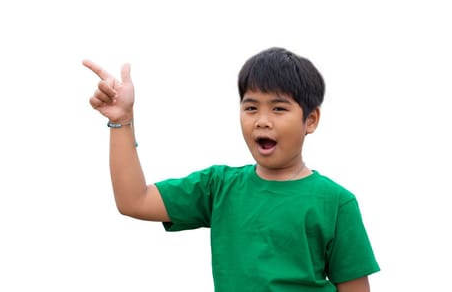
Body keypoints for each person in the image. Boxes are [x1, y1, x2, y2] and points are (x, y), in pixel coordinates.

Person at [82, 47, 380, 291]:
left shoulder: (336, 202)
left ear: (311, 120)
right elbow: (133, 201)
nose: (262, 120)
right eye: (251, 108)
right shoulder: (218, 187)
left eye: (279, 108)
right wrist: (121, 120)